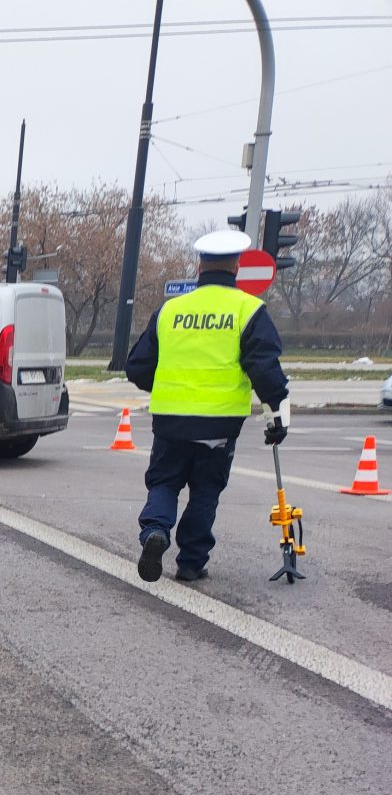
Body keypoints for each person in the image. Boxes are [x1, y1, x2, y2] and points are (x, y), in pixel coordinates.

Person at [125, 229, 289, 583]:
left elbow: (136, 366)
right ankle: (191, 562)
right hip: (219, 424)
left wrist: (169, 385)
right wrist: (277, 415)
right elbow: (266, 368)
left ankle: (155, 531)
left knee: (165, 483)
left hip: (170, 420)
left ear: (199, 265)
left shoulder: (171, 311)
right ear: (237, 265)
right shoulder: (249, 310)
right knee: (205, 491)